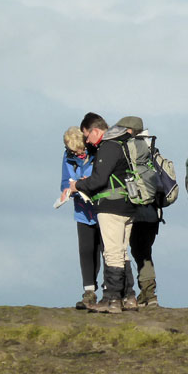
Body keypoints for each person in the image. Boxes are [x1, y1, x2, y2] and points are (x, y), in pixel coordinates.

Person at [67, 112, 138, 313]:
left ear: (96, 131)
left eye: (87, 136)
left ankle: (112, 300)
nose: (87, 141)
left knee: (112, 253)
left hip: (111, 206)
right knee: (122, 252)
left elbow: (98, 180)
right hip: (129, 204)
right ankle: (129, 297)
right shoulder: (124, 144)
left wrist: (77, 186)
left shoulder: (109, 146)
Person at [115, 116, 162, 308]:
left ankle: (128, 294)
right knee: (144, 252)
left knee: (124, 251)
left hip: (132, 208)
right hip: (152, 211)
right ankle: (149, 294)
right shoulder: (152, 150)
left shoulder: (124, 150)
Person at [60, 126, 102, 310]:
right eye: (75, 151)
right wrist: (69, 190)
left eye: (81, 150)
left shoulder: (98, 152)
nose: (79, 154)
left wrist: (87, 182)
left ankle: (112, 290)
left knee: (106, 250)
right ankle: (89, 292)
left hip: (102, 209)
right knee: (86, 250)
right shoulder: (68, 157)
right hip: (82, 210)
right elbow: (64, 181)